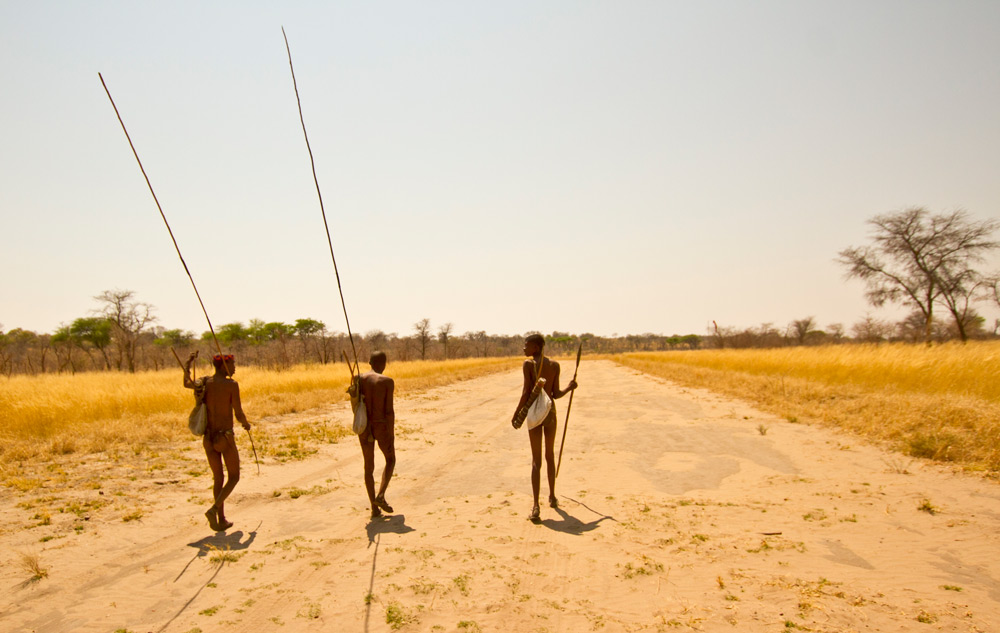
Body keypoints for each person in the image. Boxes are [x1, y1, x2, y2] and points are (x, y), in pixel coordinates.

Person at [512, 334, 578, 521]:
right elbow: (555, 394)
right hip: (551, 414)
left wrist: (517, 413)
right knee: (550, 456)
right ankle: (552, 497)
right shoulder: (554, 366)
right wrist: (570, 387)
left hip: (534, 414)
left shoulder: (528, 365)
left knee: (536, 461)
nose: (524, 349)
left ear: (537, 347)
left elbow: (526, 392)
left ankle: (535, 506)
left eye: (527, 346)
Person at [183, 352, 251, 531]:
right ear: (224, 366)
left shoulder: (204, 383)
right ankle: (213, 511)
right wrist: (246, 424)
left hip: (208, 439)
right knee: (234, 476)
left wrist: (188, 362)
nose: (235, 368)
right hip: (224, 437)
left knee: (218, 478)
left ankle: (221, 519)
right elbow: (238, 412)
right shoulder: (231, 385)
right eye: (233, 364)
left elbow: (186, 383)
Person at [351, 351, 396, 519]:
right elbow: (389, 411)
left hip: (363, 426)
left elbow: (355, 404)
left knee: (368, 467)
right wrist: (390, 433)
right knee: (390, 459)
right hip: (381, 425)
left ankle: (374, 508)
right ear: (384, 364)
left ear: (369, 361)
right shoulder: (386, 382)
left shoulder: (358, 378)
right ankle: (381, 495)